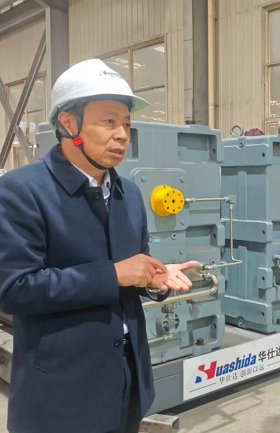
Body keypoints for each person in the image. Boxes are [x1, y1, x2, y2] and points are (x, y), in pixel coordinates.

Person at [0, 59, 200, 433]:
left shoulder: (129, 194)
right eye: (109, 121)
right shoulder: (23, 192)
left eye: (126, 123)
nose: (122, 135)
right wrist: (113, 275)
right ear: (68, 123)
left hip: (127, 381)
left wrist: (152, 278)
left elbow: (132, 270)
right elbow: (14, 290)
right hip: (61, 393)